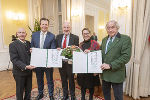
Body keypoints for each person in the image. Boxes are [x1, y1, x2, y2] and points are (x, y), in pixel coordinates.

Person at [100, 20, 132, 100]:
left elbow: (126, 57)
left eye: (112, 27)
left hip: (116, 73)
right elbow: (100, 53)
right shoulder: (104, 40)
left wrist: (110, 65)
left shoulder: (125, 39)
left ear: (117, 28)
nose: (110, 30)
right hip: (105, 74)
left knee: (118, 97)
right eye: (108, 28)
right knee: (106, 95)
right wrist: (90, 53)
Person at [31, 18, 56, 100]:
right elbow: (32, 46)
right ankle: (40, 93)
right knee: (39, 79)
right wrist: (31, 50)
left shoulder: (52, 36)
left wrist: (50, 63)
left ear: (48, 25)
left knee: (49, 80)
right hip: (37, 62)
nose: (44, 26)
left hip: (47, 63)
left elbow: (52, 50)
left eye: (46, 24)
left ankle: (51, 94)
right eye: (43, 24)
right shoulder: (34, 35)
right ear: (40, 25)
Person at [9, 28, 35, 100]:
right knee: (20, 91)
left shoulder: (28, 43)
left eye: (23, 32)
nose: (22, 34)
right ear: (17, 34)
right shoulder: (13, 45)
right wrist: (25, 66)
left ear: (26, 34)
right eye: (20, 32)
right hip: (19, 72)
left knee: (28, 89)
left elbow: (31, 56)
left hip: (29, 71)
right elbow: (14, 59)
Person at [56, 21, 79, 100]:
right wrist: (57, 49)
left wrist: (72, 50)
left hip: (70, 63)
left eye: (68, 27)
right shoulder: (58, 37)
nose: (66, 29)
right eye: (64, 27)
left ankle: (72, 95)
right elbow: (56, 48)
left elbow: (77, 50)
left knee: (71, 79)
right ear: (62, 28)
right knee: (63, 79)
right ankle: (65, 95)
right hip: (61, 63)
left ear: (70, 28)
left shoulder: (75, 37)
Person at [77, 28, 100, 100]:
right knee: (82, 85)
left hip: (91, 69)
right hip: (82, 69)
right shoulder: (80, 44)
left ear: (90, 34)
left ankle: (90, 98)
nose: (86, 35)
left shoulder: (96, 44)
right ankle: (83, 97)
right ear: (82, 35)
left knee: (91, 85)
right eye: (84, 34)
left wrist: (91, 52)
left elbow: (99, 56)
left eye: (87, 33)